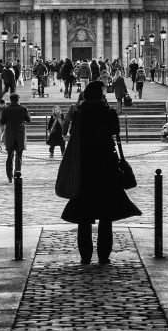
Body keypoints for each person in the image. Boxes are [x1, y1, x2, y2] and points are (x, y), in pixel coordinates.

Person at [60, 80, 141, 265]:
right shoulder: (108, 112)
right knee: (106, 216)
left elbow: (72, 133)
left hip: (84, 167)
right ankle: (104, 256)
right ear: (101, 95)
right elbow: (116, 131)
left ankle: (85, 257)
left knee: (83, 216)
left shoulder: (79, 113)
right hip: (106, 167)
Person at [0, 93, 31, 182]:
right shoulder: (23, 109)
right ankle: (17, 172)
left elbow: (2, 122)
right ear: (18, 99)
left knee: (10, 156)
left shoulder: (6, 110)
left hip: (10, 134)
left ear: (10, 100)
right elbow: (29, 120)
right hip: (20, 134)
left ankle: (10, 176)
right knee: (19, 156)